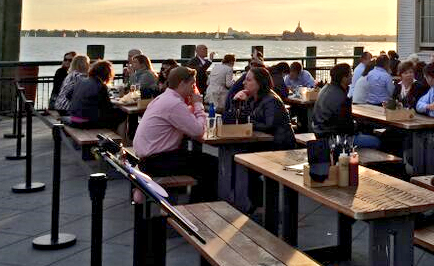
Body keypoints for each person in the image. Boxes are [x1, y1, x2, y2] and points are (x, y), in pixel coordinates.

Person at [133, 66, 216, 200]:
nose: (193, 88)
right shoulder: (174, 103)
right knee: (211, 165)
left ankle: (194, 203)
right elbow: (198, 131)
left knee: (200, 160)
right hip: (157, 161)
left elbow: (185, 121)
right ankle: (199, 208)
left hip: (147, 158)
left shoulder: (163, 98)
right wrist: (198, 104)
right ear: (182, 83)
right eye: (192, 84)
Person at [230, 67, 295, 149]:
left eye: (248, 80)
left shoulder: (271, 100)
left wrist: (249, 122)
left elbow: (269, 126)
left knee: (234, 152)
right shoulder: (252, 98)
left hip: (279, 146)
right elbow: (238, 119)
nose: (243, 82)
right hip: (263, 143)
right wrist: (236, 101)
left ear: (260, 83)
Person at [68, 60, 126, 130]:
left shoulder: (81, 80)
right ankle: (121, 139)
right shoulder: (100, 85)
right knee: (122, 114)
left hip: (74, 117)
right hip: (86, 121)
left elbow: (68, 95)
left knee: (111, 116)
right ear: (107, 74)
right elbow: (107, 108)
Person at [312, 63, 356, 140]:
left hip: (319, 132)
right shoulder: (340, 95)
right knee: (376, 142)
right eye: (350, 73)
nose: (352, 76)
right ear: (343, 78)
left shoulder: (326, 88)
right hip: (334, 137)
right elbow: (346, 124)